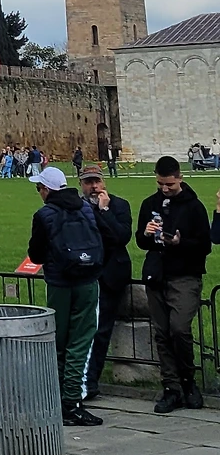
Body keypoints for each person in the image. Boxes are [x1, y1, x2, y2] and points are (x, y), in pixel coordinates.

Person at [27, 164, 103, 425]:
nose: (39, 192)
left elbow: (36, 254)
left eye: (39, 188)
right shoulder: (86, 208)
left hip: (59, 283)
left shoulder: (44, 214)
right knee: (80, 343)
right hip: (87, 279)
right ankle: (71, 400)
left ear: (46, 189)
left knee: (59, 342)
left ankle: (61, 400)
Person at [137, 156, 211, 413]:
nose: (165, 188)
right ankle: (171, 387)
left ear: (180, 178)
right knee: (162, 332)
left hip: (185, 275)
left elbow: (205, 245)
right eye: (160, 184)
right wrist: (147, 234)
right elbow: (141, 242)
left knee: (179, 329)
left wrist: (181, 243)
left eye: (169, 184)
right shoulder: (150, 204)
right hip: (157, 274)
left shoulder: (194, 207)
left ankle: (189, 382)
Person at [78, 163, 133, 403]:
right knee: (80, 331)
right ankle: (76, 380)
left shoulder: (119, 205)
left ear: (104, 182)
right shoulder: (77, 208)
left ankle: (90, 382)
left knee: (101, 331)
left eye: (97, 181)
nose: (94, 186)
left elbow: (121, 237)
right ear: (81, 184)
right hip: (84, 274)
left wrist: (104, 211)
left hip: (110, 275)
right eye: (88, 182)